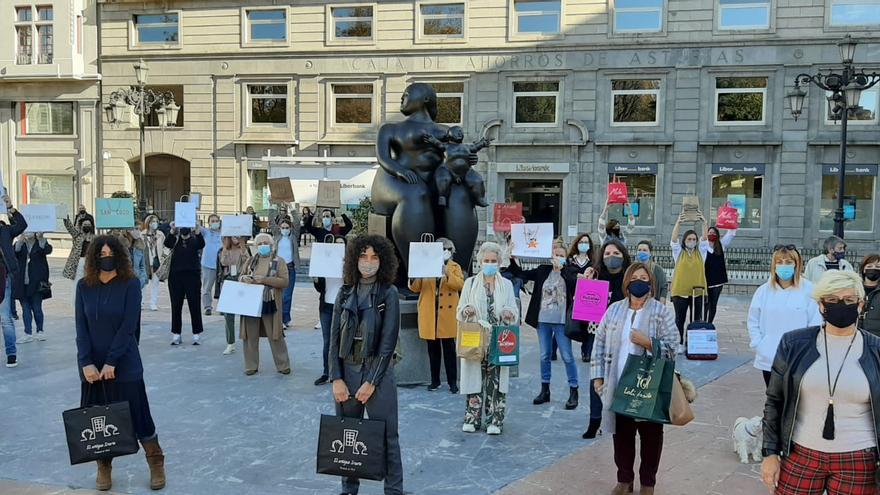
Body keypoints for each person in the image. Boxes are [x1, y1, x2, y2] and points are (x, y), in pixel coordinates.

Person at [761, 270, 880, 495]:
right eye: (833, 300)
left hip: (858, 458)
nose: (841, 305)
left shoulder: (876, 350)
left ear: (861, 304)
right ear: (821, 305)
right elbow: (774, 400)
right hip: (801, 454)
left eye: (849, 300)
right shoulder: (794, 344)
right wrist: (770, 453)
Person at [75, 235, 165, 491]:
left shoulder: (130, 284)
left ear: (120, 256)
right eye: (101, 256)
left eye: (110, 254)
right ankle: (104, 465)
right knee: (98, 419)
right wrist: (86, 363)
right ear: (94, 259)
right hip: (92, 367)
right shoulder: (84, 287)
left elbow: (128, 327)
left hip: (125, 363)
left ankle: (155, 459)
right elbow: (81, 328)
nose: (106, 259)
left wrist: (112, 361)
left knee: (139, 415)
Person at [591, 262, 679, 495]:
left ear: (650, 284)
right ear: (627, 282)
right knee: (622, 436)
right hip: (619, 384)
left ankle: (648, 483)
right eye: (635, 277)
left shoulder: (661, 312)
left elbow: (673, 348)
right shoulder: (614, 310)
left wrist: (648, 343)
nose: (639, 281)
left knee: (651, 438)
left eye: (644, 278)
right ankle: (624, 480)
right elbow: (599, 343)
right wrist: (597, 378)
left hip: (649, 387)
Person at [328, 234, 403, 494]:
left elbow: (388, 343)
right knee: (347, 435)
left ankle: (393, 490)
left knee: (387, 436)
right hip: (347, 372)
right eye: (363, 256)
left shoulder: (389, 294)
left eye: (374, 257)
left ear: (383, 261)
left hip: (377, 373)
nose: (368, 262)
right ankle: (349, 488)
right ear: (354, 259)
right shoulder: (344, 292)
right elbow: (333, 340)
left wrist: (371, 382)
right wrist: (335, 378)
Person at [457, 241, 519, 435]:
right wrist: (467, 309)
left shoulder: (506, 285)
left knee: (496, 381)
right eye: (486, 260)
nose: (490, 263)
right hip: (476, 336)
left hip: (498, 338)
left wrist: (509, 312)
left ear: (499, 262)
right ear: (480, 261)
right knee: (474, 379)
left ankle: (495, 420)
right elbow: (460, 309)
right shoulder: (471, 283)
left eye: (493, 260)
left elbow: (513, 308)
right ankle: (472, 418)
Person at [508, 242, 579, 410]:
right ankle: (545, 389)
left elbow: (574, 284)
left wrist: (560, 269)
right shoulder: (542, 269)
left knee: (567, 356)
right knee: (544, 355)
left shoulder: (570, 271)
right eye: (555, 254)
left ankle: (573, 390)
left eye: (561, 254)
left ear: (566, 257)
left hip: (562, 321)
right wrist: (512, 259)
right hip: (543, 320)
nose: (557, 257)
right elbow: (520, 274)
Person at [748, 245, 823, 387]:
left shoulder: (809, 290)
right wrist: (759, 344)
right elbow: (753, 320)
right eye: (779, 262)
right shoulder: (763, 291)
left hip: (799, 357)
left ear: (796, 264)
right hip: (770, 356)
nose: (784, 266)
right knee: (774, 399)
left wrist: (806, 350)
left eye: (788, 262)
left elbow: (815, 323)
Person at [409, 237, 464, 393]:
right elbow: (415, 288)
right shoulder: (426, 264)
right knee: (432, 350)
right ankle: (435, 381)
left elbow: (459, 285)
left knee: (449, 350)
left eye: (448, 249)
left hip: (447, 314)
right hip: (430, 312)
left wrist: (446, 271)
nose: (446, 252)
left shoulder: (455, 267)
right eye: (442, 249)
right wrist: (416, 273)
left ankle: (453, 382)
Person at [239, 234, 291, 375]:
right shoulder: (250, 261)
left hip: (270, 303)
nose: (263, 245)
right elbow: (241, 276)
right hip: (251, 303)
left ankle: (283, 365)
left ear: (271, 244)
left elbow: (285, 282)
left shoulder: (279, 261)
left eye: (265, 242)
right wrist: (244, 278)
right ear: (256, 246)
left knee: (275, 334)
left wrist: (265, 280)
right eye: (260, 243)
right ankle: (251, 366)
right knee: (250, 335)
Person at [669, 212, 709, 341]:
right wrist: (678, 223)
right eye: (689, 239)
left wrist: (704, 223)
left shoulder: (701, 253)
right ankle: (679, 342)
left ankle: (692, 342)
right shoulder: (679, 253)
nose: (691, 241)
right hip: (680, 292)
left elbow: (705, 239)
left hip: (697, 292)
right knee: (679, 319)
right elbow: (673, 240)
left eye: (694, 239)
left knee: (696, 319)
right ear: (684, 241)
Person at [312, 236, 346, 386]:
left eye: (341, 244)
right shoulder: (324, 262)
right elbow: (320, 288)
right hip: (326, 307)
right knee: (328, 341)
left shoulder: (349, 264)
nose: (338, 247)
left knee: (342, 340)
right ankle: (327, 372)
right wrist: (316, 280)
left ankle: (342, 373)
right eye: (336, 244)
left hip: (343, 307)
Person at [164, 224, 206, 345]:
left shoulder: (194, 240)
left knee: (194, 305)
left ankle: (196, 333)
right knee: (176, 305)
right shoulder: (176, 240)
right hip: (175, 278)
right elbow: (167, 243)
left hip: (192, 277)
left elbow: (201, 244)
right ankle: (176, 334)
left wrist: (197, 231)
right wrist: (172, 230)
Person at [0, 195, 26, 368]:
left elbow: (22, 226)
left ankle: (11, 354)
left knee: (5, 317)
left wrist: (11, 208)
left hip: (3, 276)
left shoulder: (4, 230)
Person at [562, 233, 595, 362]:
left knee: (586, 326)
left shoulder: (592, 261)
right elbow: (566, 274)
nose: (584, 244)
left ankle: (585, 351)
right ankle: (554, 349)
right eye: (581, 241)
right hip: (571, 295)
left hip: (586, 298)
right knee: (568, 322)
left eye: (586, 242)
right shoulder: (570, 260)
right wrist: (578, 277)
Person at [13, 232, 51, 343]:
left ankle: (40, 331)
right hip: (22, 283)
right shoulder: (21, 244)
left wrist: (41, 238)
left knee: (37, 308)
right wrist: (20, 239)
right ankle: (27, 333)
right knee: (25, 309)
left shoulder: (40, 243)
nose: (28, 233)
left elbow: (47, 250)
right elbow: (15, 251)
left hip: (36, 283)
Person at [218, 236, 250, 355]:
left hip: (241, 279)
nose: (235, 237)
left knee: (245, 313)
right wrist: (226, 249)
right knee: (228, 315)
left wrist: (242, 248)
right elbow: (223, 262)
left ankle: (248, 339)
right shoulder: (225, 249)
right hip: (229, 280)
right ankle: (230, 343)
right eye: (233, 235)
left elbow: (248, 261)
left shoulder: (244, 249)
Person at [271, 210, 302, 329]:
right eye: (283, 227)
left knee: (287, 295)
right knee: (278, 295)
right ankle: (280, 319)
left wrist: (292, 209)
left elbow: (298, 223)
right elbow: (271, 222)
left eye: (287, 227)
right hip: (277, 267)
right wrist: (273, 207)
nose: (285, 229)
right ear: (279, 228)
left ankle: (286, 318)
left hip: (290, 267)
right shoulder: (277, 236)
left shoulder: (293, 236)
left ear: (290, 228)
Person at [703, 226, 736, 323]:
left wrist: (734, 223)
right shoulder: (703, 247)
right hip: (706, 281)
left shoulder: (721, 245)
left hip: (717, 282)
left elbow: (730, 233)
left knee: (713, 304)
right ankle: (704, 322)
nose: (711, 235)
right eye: (709, 233)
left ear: (717, 235)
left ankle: (710, 323)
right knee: (705, 304)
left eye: (713, 233)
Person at [62, 213, 95, 302]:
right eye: (85, 225)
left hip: (90, 264)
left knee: (90, 283)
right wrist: (66, 218)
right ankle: (76, 303)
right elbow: (70, 227)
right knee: (76, 283)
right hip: (78, 263)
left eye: (88, 225)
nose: (87, 226)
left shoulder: (95, 239)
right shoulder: (77, 236)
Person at [200, 214, 223, 316]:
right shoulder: (206, 232)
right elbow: (195, 226)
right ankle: (207, 307)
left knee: (223, 287)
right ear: (209, 223)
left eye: (216, 221)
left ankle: (223, 307)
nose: (214, 223)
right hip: (208, 264)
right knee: (207, 287)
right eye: (212, 221)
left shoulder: (224, 233)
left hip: (222, 265)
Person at [142, 215, 166, 311]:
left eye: (156, 221)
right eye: (152, 221)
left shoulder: (160, 234)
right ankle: (141, 302)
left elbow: (164, 247)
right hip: (146, 260)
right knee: (143, 283)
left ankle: (153, 303)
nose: (154, 223)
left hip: (157, 260)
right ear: (148, 223)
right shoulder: (142, 234)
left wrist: (164, 256)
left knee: (155, 283)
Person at [859, 254, 880, 336]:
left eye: (878, 267)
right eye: (869, 266)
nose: (873, 269)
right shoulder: (854, 288)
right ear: (864, 269)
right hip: (855, 335)